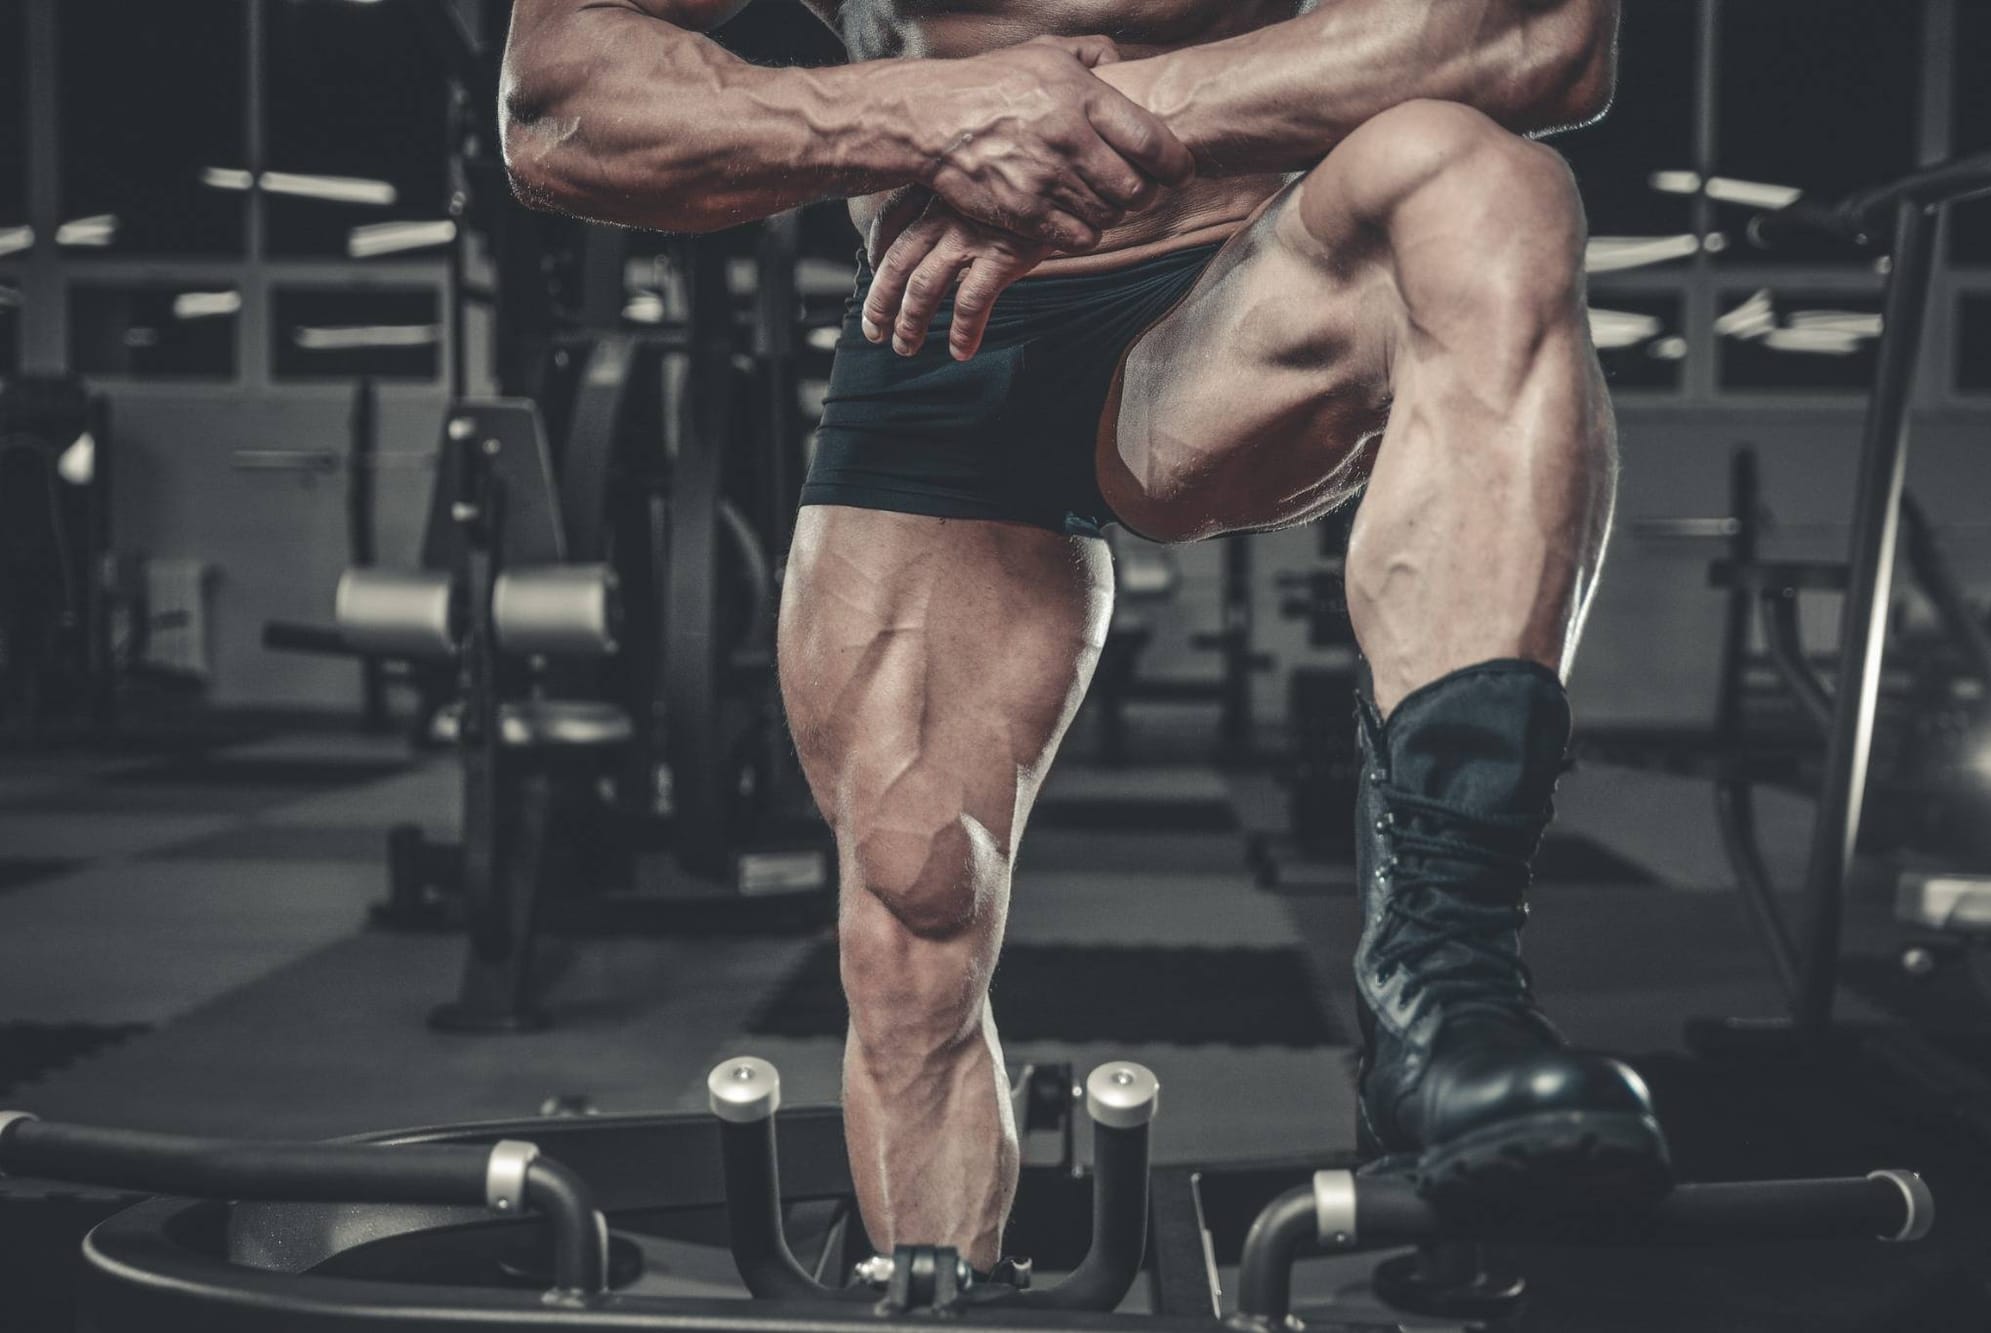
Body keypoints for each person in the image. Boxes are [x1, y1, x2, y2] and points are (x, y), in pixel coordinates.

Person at [502, 0, 1668, 1274]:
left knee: (1488, 190)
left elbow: (1529, 36)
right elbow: (559, 105)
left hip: (1255, 281)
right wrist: (920, 113)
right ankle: (938, 1289)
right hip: (941, 321)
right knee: (911, 906)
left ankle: (1439, 1001)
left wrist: (1081, 121)